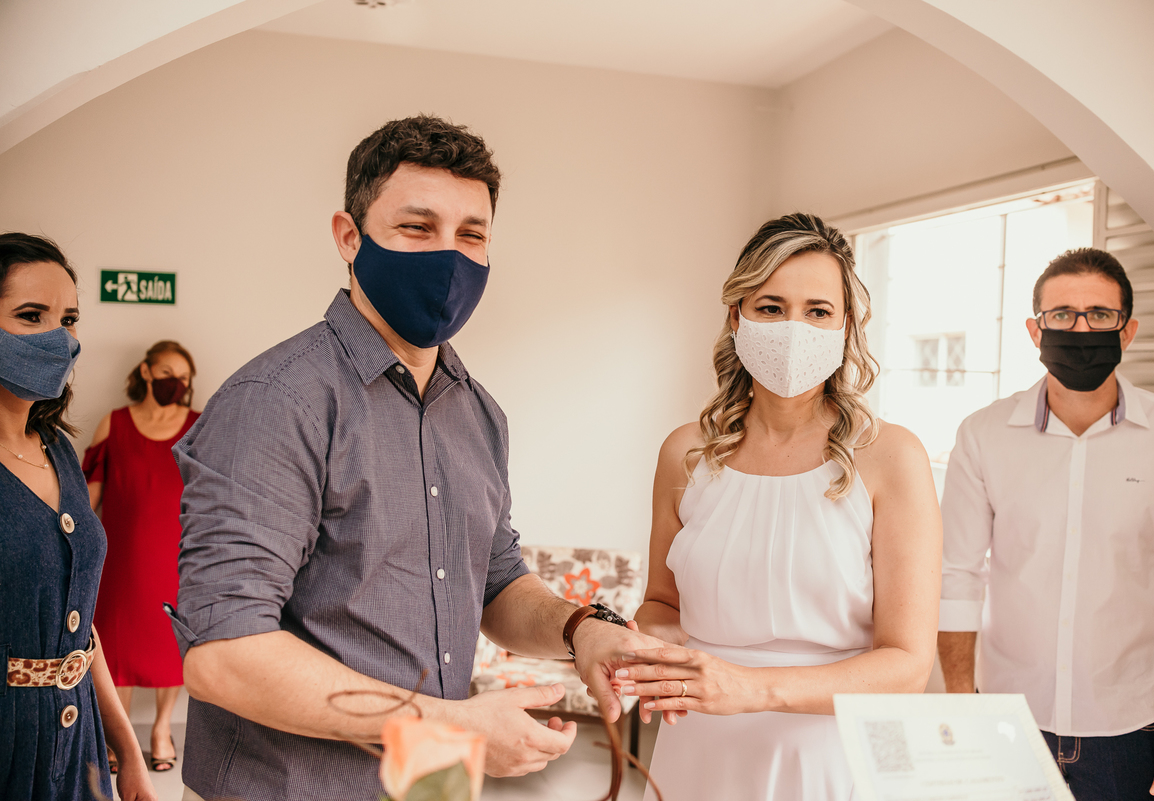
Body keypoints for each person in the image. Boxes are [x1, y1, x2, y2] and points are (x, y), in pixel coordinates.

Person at [169, 115, 665, 801]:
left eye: (471, 235)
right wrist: (453, 725)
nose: (448, 256)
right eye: (417, 227)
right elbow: (224, 656)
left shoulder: (478, 412)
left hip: (431, 782)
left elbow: (495, 581)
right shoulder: (278, 401)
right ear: (349, 236)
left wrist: (582, 631)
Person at [620, 213, 942, 799]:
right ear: (736, 317)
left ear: (846, 326)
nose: (795, 328)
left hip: (830, 760)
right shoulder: (685, 453)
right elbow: (662, 603)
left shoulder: (892, 457)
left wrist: (752, 688)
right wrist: (650, 653)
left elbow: (907, 665)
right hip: (698, 748)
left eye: (818, 311)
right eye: (771, 307)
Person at [937, 247, 1154, 801]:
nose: (1081, 329)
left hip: (1132, 732)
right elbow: (956, 575)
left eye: (1100, 314)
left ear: (1128, 331)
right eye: (1062, 315)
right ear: (1035, 330)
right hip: (1007, 719)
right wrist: (960, 704)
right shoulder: (983, 435)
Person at [0, 232, 156, 801]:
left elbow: (80, 628)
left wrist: (128, 751)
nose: (58, 338)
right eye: (31, 316)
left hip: (80, 746)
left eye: (68, 320)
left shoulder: (59, 450)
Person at [84, 340, 200, 772]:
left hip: (178, 554)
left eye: (184, 377)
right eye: (168, 373)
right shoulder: (113, 424)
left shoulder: (199, 426)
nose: (177, 383)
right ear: (147, 372)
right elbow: (89, 496)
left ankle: (162, 729)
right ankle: (120, 734)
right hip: (120, 557)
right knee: (117, 645)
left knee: (169, 643)